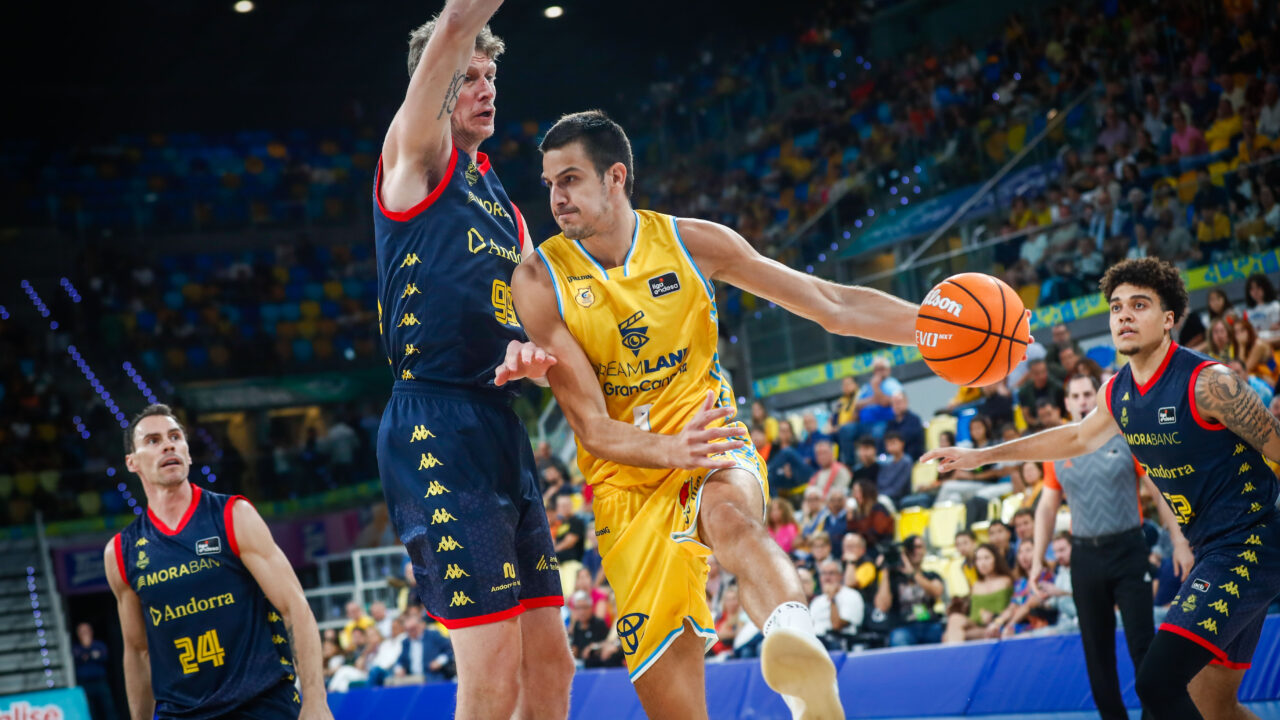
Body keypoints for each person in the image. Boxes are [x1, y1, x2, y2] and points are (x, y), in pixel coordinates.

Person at [513, 110, 919, 719]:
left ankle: (796, 644)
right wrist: (667, 451)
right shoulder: (539, 278)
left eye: (570, 179)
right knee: (672, 693)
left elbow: (829, 303)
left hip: (708, 433)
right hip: (626, 478)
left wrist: (934, 327)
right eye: (549, 184)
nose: (556, 198)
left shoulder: (692, 242)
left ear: (615, 177)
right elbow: (593, 429)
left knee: (730, 516)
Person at [925, 258, 1280, 719]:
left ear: (1169, 318)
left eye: (1139, 305)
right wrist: (980, 456)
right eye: (1116, 307)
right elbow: (1074, 437)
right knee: (1215, 706)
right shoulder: (1116, 393)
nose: (1124, 316)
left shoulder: (1210, 383)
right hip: (1213, 547)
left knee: (1156, 683)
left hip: (1251, 542)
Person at [372, 2, 574, 716]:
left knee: (551, 659)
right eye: (469, 78)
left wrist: (529, 351)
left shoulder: (507, 210)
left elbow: (537, 321)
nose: (486, 87)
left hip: (499, 423)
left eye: (492, 75)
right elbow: (456, 23)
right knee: (490, 672)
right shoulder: (414, 160)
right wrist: (456, 42)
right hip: (435, 420)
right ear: (436, 87)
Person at [104, 405, 331, 720]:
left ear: (188, 451)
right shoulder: (121, 551)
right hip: (181, 713)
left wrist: (316, 702)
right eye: (153, 441)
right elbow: (137, 652)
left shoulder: (233, 516)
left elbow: (295, 608)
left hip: (260, 705)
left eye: (175, 437)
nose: (168, 445)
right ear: (132, 462)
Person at [1030, 373, 1191, 720]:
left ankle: (1155, 716)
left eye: (1089, 393)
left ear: (1099, 397)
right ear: (1067, 404)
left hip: (1128, 550)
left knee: (1143, 646)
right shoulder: (1057, 449)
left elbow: (1158, 490)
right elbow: (1045, 508)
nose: (1084, 400)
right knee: (1097, 653)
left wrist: (1178, 540)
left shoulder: (1125, 436)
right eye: (1076, 395)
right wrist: (1035, 561)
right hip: (1084, 556)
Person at [874, 535, 945, 647]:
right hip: (903, 627)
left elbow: (937, 592)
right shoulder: (893, 578)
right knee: (899, 638)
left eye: (919, 547)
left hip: (930, 625)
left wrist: (912, 573)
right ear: (905, 551)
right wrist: (885, 570)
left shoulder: (931, 575)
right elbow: (882, 606)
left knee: (944, 635)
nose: (916, 551)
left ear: (925, 550)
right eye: (912, 548)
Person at [941, 543, 1013, 643]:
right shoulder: (976, 585)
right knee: (954, 618)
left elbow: (1012, 607)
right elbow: (974, 615)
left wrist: (994, 618)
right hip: (976, 624)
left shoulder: (1006, 581)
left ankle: (955, 655)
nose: (982, 563)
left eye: (986, 558)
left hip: (995, 625)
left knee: (950, 635)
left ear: (996, 559)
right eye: (978, 559)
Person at [810, 559, 865, 651]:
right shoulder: (816, 601)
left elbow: (836, 625)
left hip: (840, 642)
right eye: (823, 573)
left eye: (831, 573)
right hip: (816, 643)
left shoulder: (851, 595)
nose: (827, 578)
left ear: (841, 576)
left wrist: (832, 599)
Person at [73, 623, 118, 720]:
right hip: (85, 684)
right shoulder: (75, 648)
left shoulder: (99, 645)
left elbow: (104, 657)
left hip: (100, 682)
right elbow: (77, 658)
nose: (85, 634)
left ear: (91, 632)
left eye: (86, 631)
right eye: (82, 632)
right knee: (90, 711)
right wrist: (91, 654)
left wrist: (87, 654)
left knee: (109, 709)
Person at [395, 613, 453, 684]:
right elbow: (401, 660)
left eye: (413, 629)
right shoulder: (406, 642)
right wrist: (399, 668)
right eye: (408, 630)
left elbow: (450, 649)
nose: (411, 632)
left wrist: (440, 661)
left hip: (432, 677)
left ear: (422, 625)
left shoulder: (433, 635)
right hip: (413, 679)